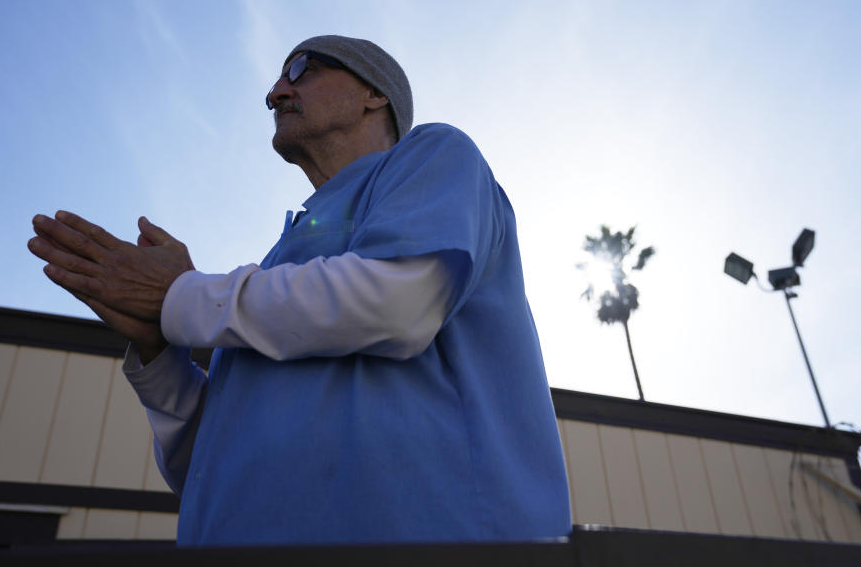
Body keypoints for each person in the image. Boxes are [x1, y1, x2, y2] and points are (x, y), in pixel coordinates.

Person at [28, 35, 571, 546]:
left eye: (300, 69)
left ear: (374, 93)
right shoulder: (276, 268)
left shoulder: (436, 156)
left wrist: (178, 296)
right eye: (276, 83)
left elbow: (396, 302)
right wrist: (158, 350)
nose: (276, 92)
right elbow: (207, 467)